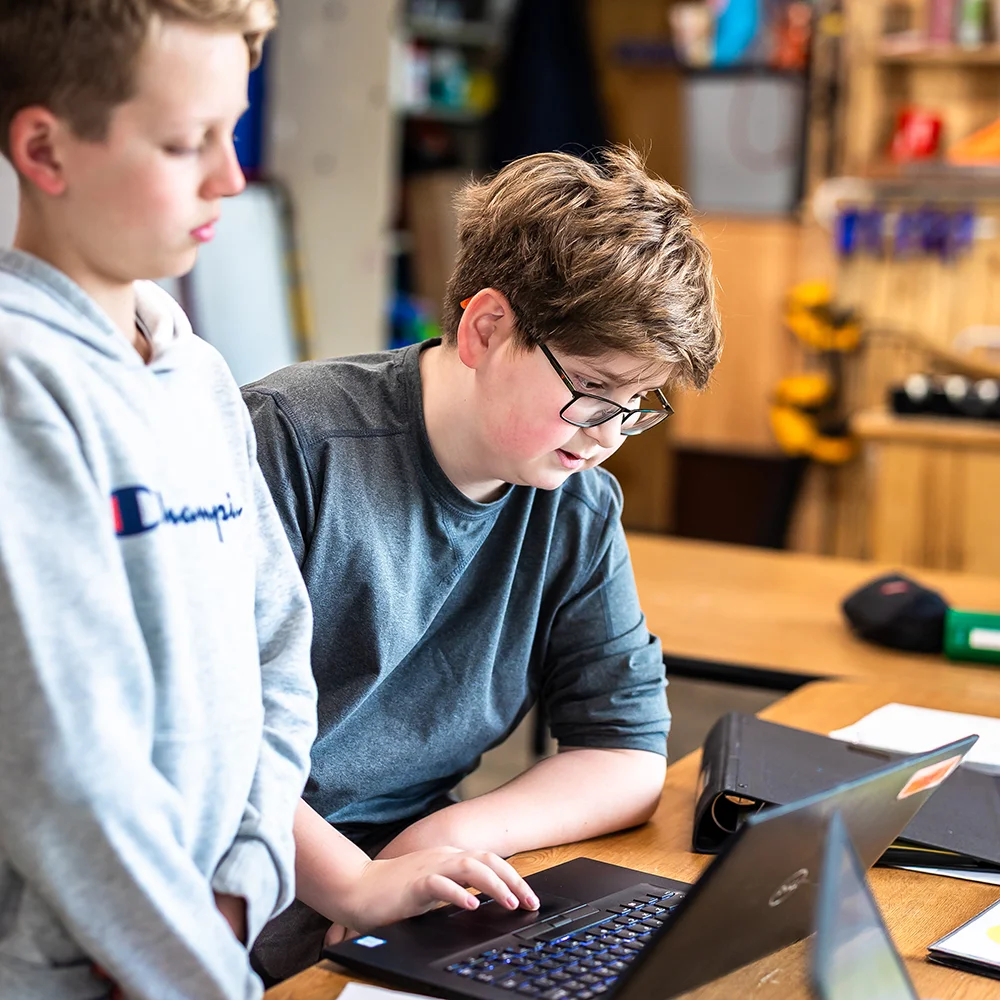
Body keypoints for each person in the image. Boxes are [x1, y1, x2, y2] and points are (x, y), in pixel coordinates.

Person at [0, 2, 531, 997]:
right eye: (183, 142)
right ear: (45, 147)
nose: (230, 177)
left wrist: (243, 891)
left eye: (229, 131)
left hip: (211, 939)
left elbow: (275, 662)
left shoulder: (194, 373)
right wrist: (198, 967)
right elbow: (63, 764)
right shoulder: (19, 385)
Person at [243, 145, 723, 981]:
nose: (608, 435)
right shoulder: (290, 441)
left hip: (414, 865)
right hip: (248, 862)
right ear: (485, 328)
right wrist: (354, 885)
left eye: (636, 406)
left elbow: (627, 752)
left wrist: (439, 839)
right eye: (591, 388)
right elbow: (203, 739)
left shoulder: (575, 504)